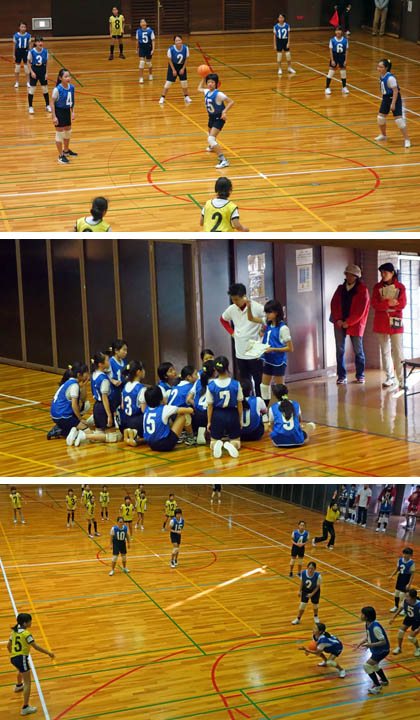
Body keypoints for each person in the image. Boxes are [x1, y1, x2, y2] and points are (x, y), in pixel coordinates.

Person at [220, 283, 264, 396]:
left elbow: (268, 320)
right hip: (240, 349)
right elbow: (223, 319)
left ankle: (260, 401)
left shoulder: (257, 307)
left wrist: (263, 330)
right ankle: (247, 400)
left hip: (255, 348)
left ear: (244, 296)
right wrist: (232, 333)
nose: (234, 302)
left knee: (258, 379)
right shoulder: (231, 309)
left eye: (236, 299)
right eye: (232, 299)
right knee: (244, 379)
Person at [7, 612, 54, 716]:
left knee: (21, 670)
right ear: (25, 623)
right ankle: (25, 707)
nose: (31, 623)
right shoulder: (26, 634)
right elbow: (35, 647)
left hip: (13, 658)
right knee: (28, 682)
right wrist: (48, 653)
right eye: (30, 621)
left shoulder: (14, 632)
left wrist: (14, 655)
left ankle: (19, 686)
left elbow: (8, 646)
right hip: (21, 658)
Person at [246, 299, 293, 402]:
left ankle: (284, 405)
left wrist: (272, 349)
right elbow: (251, 318)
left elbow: (290, 348)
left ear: (277, 312)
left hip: (278, 362)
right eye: (266, 312)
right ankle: (265, 407)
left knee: (280, 388)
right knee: (264, 386)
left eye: (269, 312)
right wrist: (248, 307)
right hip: (268, 360)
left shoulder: (283, 328)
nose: (267, 315)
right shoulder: (267, 323)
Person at [330, 264, 370, 384]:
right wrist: (338, 320)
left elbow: (361, 310)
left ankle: (360, 374)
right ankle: (341, 375)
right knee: (340, 350)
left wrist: (349, 322)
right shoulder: (340, 289)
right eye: (347, 274)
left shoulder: (363, 290)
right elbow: (334, 304)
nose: (348, 277)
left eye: (351, 275)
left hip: (355, 324)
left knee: (358, 350)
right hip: (339, 322)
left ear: (356, 277)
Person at [372, 261, 407, 388]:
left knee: (398, 351)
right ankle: (389, 377)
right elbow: (374, 304)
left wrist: (384, 301)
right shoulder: (377, 287)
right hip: (381, 321)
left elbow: (402, 304)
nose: (382, 275)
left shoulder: (400, 287)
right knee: (385, 351)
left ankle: (402, 380)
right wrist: (389, 303)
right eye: (381, 273)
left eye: (385, 272)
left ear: (392, 273)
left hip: (395, 321)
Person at [206, 355, 243, 458]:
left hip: (217, 414)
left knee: (213, 441)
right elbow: (239, 403)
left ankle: (216, 445)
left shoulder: (211, 385)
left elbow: (210, 406)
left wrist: (209, 422)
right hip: (232, 413)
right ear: (227, 367)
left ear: (215, 369)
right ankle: (232, 445)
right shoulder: (236, 384)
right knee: (236, 441)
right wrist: (240, 419)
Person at [198, 73, 233, 168]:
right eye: (208, 82)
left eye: (212, 82)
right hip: (211, 117)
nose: (210, 84)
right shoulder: (206, 91)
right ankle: (212, 146)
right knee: (210, 135)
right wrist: (203, 78)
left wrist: (224, 112)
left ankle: (223, 160)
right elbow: (199, 88)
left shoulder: (219, 94)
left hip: (219, 118)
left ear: (216, 83)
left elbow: (231, 102)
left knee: (210, 138)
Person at [143, 386, 193, 452]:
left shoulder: (146, 410)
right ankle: (190, 438)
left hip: (151, 445)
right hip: (165, 445)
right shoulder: (164, 409)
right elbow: (188, 410)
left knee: (167, 419)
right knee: (183, 415)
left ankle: (181, 436)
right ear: (161, 397)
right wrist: (191, 409)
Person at [50, 362, 90, 444]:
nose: (88, 374)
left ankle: (63, 428)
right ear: (79, 375)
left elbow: (83, 399)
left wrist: (84, 385)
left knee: (86, 405)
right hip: (63, 416)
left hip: (57, 414)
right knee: (88, 432)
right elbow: (74, 405)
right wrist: (80, 419)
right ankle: (60, 430)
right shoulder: (74, 386)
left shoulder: (70, 382)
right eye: (86, 372)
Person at [375, 60, 410, 148]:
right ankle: (383, 135)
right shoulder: (382, 75)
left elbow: (395, 91)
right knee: (380, 118)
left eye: (381, 67)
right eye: (378, 66)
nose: (378, 68)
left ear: (386, 68)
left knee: (399, 121)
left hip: (394, 98)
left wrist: (393, 103)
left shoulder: (390, 78)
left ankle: (407, 139)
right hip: (386, 98)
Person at [269, 384, 315, 448]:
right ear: (287, 392)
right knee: (311, 425)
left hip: (278, 442)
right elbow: (299, 421)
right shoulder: (296, 404)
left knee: (270, 427)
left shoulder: (272, 408)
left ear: (275, 395)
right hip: (297, 440)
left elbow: (272, 426)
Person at [357, 606, 390, 694]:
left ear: (367, 617)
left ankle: (377, 686)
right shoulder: (368, 623)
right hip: (377, 650)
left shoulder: (375, 627)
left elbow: (383, 642)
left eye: (362, 614)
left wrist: (370, 645)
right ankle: (384, 680)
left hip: (382, 651)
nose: (360, 616)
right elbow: (369, 636)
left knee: (367, 666)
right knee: (374, 665)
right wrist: (361, 642)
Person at [168, 365, 198, 446]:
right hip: (179, 416)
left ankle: (180, 434)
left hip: (170, 417)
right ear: (189, 377)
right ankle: (190, 437)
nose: (198, 376)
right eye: (196, 374)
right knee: (188, 412)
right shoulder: (191, 387)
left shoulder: (175, 387)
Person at [51, 68, 76, 165]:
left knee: (68, 131)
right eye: (65, 77)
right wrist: (54, 117)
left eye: (69, 76)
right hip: (59, 112)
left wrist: (73, 112)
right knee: (59, 133)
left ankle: (66, 151)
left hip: (67, 111)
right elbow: (52, 103)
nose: (68, 78)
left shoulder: (72, 87)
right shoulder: (57, 89)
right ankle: (61, 155)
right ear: (60, 78)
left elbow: (72, 101)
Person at [189, 360, 216, 445]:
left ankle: (202, 430)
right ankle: (216, 433)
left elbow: (188, 399)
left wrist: (197, 406)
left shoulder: (198, 381)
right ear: (215, 370)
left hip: (197, 415)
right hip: (209, 415)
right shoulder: (216, 383)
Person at [119, 360, 146, 446]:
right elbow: (143, 410)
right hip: (137, 420)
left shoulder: (125, 386)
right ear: (138, 372)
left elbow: (122, 406)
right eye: (143, 369)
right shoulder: (141, 388)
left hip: (126, 421)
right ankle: (137, 438)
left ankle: (129, 434)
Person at [159, 35, 192, 105]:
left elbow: (186, 59)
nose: (178, 42)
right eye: (177, 41)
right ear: (174, 42)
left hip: (181, 65)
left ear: (182, 41)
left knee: (184, 82)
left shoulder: (186, 48)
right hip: (173, 66)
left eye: (179, 40)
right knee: (168, 83)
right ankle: (162, 97)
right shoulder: (171, 49)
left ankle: (186, 96)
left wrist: (183, 68)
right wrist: (173, 70)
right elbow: (169, 60)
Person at [390, 588, 420, 657]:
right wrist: (393, 618)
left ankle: (418, 648)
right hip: (409, 618)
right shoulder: (405, 601)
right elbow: (400, 609)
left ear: (413, 598)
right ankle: (399, 648)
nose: (406, 598)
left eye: (407, 596)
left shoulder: (419, 605)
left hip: (417, 621)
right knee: (400, 632)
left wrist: (418, 629)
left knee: (411, 638)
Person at [27, 37, 51, 114]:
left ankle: (47, 105)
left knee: (45, 88)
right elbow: (28, 62)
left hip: (42, 70)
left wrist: (46, 73)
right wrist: (32, 72)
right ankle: (30, 107)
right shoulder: (31, 51)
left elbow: (46, 63)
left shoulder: (45, 51)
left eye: (41, 41)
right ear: (35, 43)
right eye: (38, 41)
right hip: (34, 69)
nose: (40, 43)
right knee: (32, 89)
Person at [389, 547, 415, 613]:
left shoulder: (411, 563)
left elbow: (412, 575)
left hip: (406, 579)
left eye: (407, 554)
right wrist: (392, 575)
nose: (405, 555)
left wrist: (409, 584)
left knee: (402, 595)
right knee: (397, 593)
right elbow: (397, 569)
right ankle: (396, 606)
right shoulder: (400, 560)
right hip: (400, 578)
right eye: (404, 554)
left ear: (411, 555)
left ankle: (404, 608)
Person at [325, 26, 349, 96]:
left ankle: (344, 87)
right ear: (335, 32)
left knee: (343, 72)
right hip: (335, 56)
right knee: (331, 72)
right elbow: (330, 51)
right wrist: (332, 60)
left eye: (339, 30)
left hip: (342, 56)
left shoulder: (345, 40)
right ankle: (327, 88)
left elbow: (347, 50)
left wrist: (346, 60)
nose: (338, 32)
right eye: (337, 30)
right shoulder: (332, 40)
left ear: (341, 32)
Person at [107, 339, 128, 413]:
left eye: (126, 350)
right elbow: (103, 375)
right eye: (124, 350)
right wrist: (112, 380)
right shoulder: (110, 362)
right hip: (114, 390)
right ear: (116, 351)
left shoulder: (124, 361)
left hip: (123, 388)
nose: (126, 352)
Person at [13, 21, 31, 88]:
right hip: (18, 51)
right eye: (22, 27)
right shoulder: (16, 35)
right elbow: (14, 46)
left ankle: (28, 82)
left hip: (25, 51)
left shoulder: (28, 35)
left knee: (26, 67)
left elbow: (29, 45)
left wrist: (30, 53)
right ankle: (17, 82)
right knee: (17, 68)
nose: (23, 28)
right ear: (19, 28)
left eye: (24, 27)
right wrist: (13, 54)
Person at [136, 18, 155, 83]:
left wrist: (153, 49)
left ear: (146, 23)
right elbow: (137, 41)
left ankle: (150, 74)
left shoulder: (150, 31)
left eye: (144, 22)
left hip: (148, 47)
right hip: (141, 48)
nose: (143, 23)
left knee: (148, 63)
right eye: (141, 22)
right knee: (141, 62)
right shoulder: (138, 31)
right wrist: (136, 49)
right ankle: (141, 77)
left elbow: (153, 41)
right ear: (140, 24)